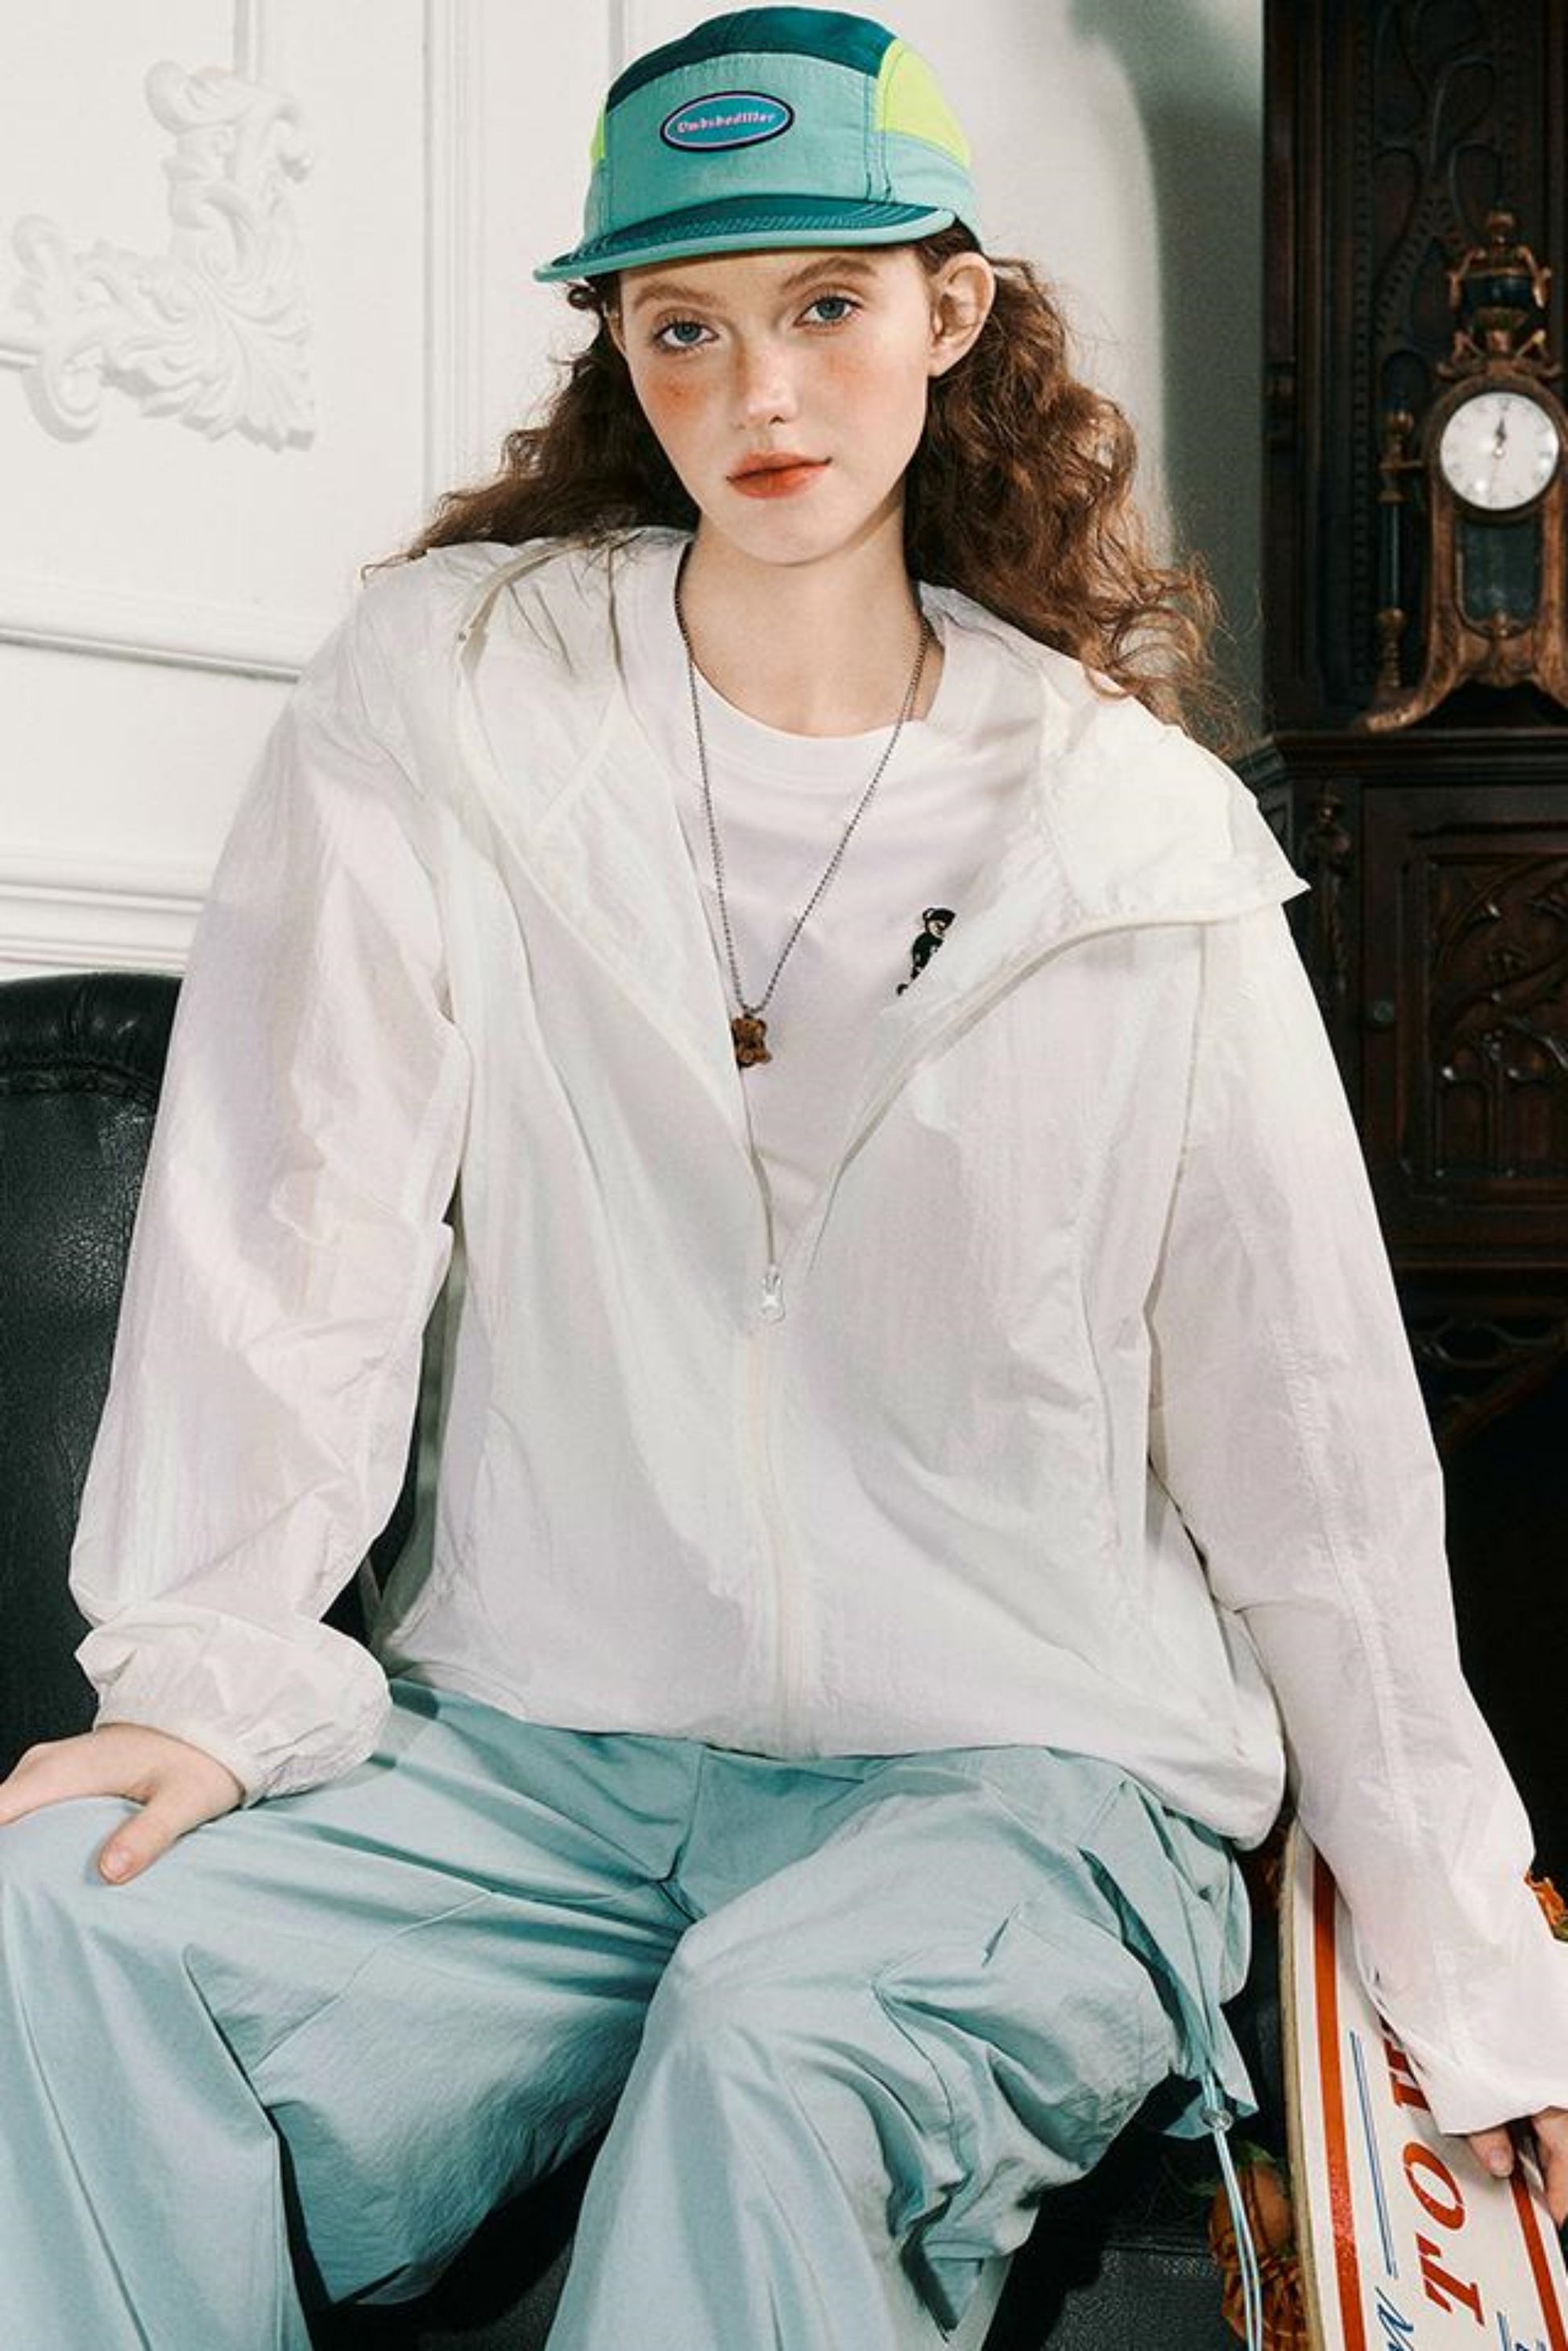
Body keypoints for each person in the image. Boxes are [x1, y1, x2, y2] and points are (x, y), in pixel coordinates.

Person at [2, 10, 1565, 2349]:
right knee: (68, 1918)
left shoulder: (1131, 839)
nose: (761, 392)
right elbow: (291, 1211)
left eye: (827, 303)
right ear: (619, 348)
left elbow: (1309, 1445)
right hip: (536, 1749)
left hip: (1019, 1782)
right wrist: (207, 1676)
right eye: (685, 325)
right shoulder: (452, 696)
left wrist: (1466, 1957)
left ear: (950, 309)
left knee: (773, 2048)